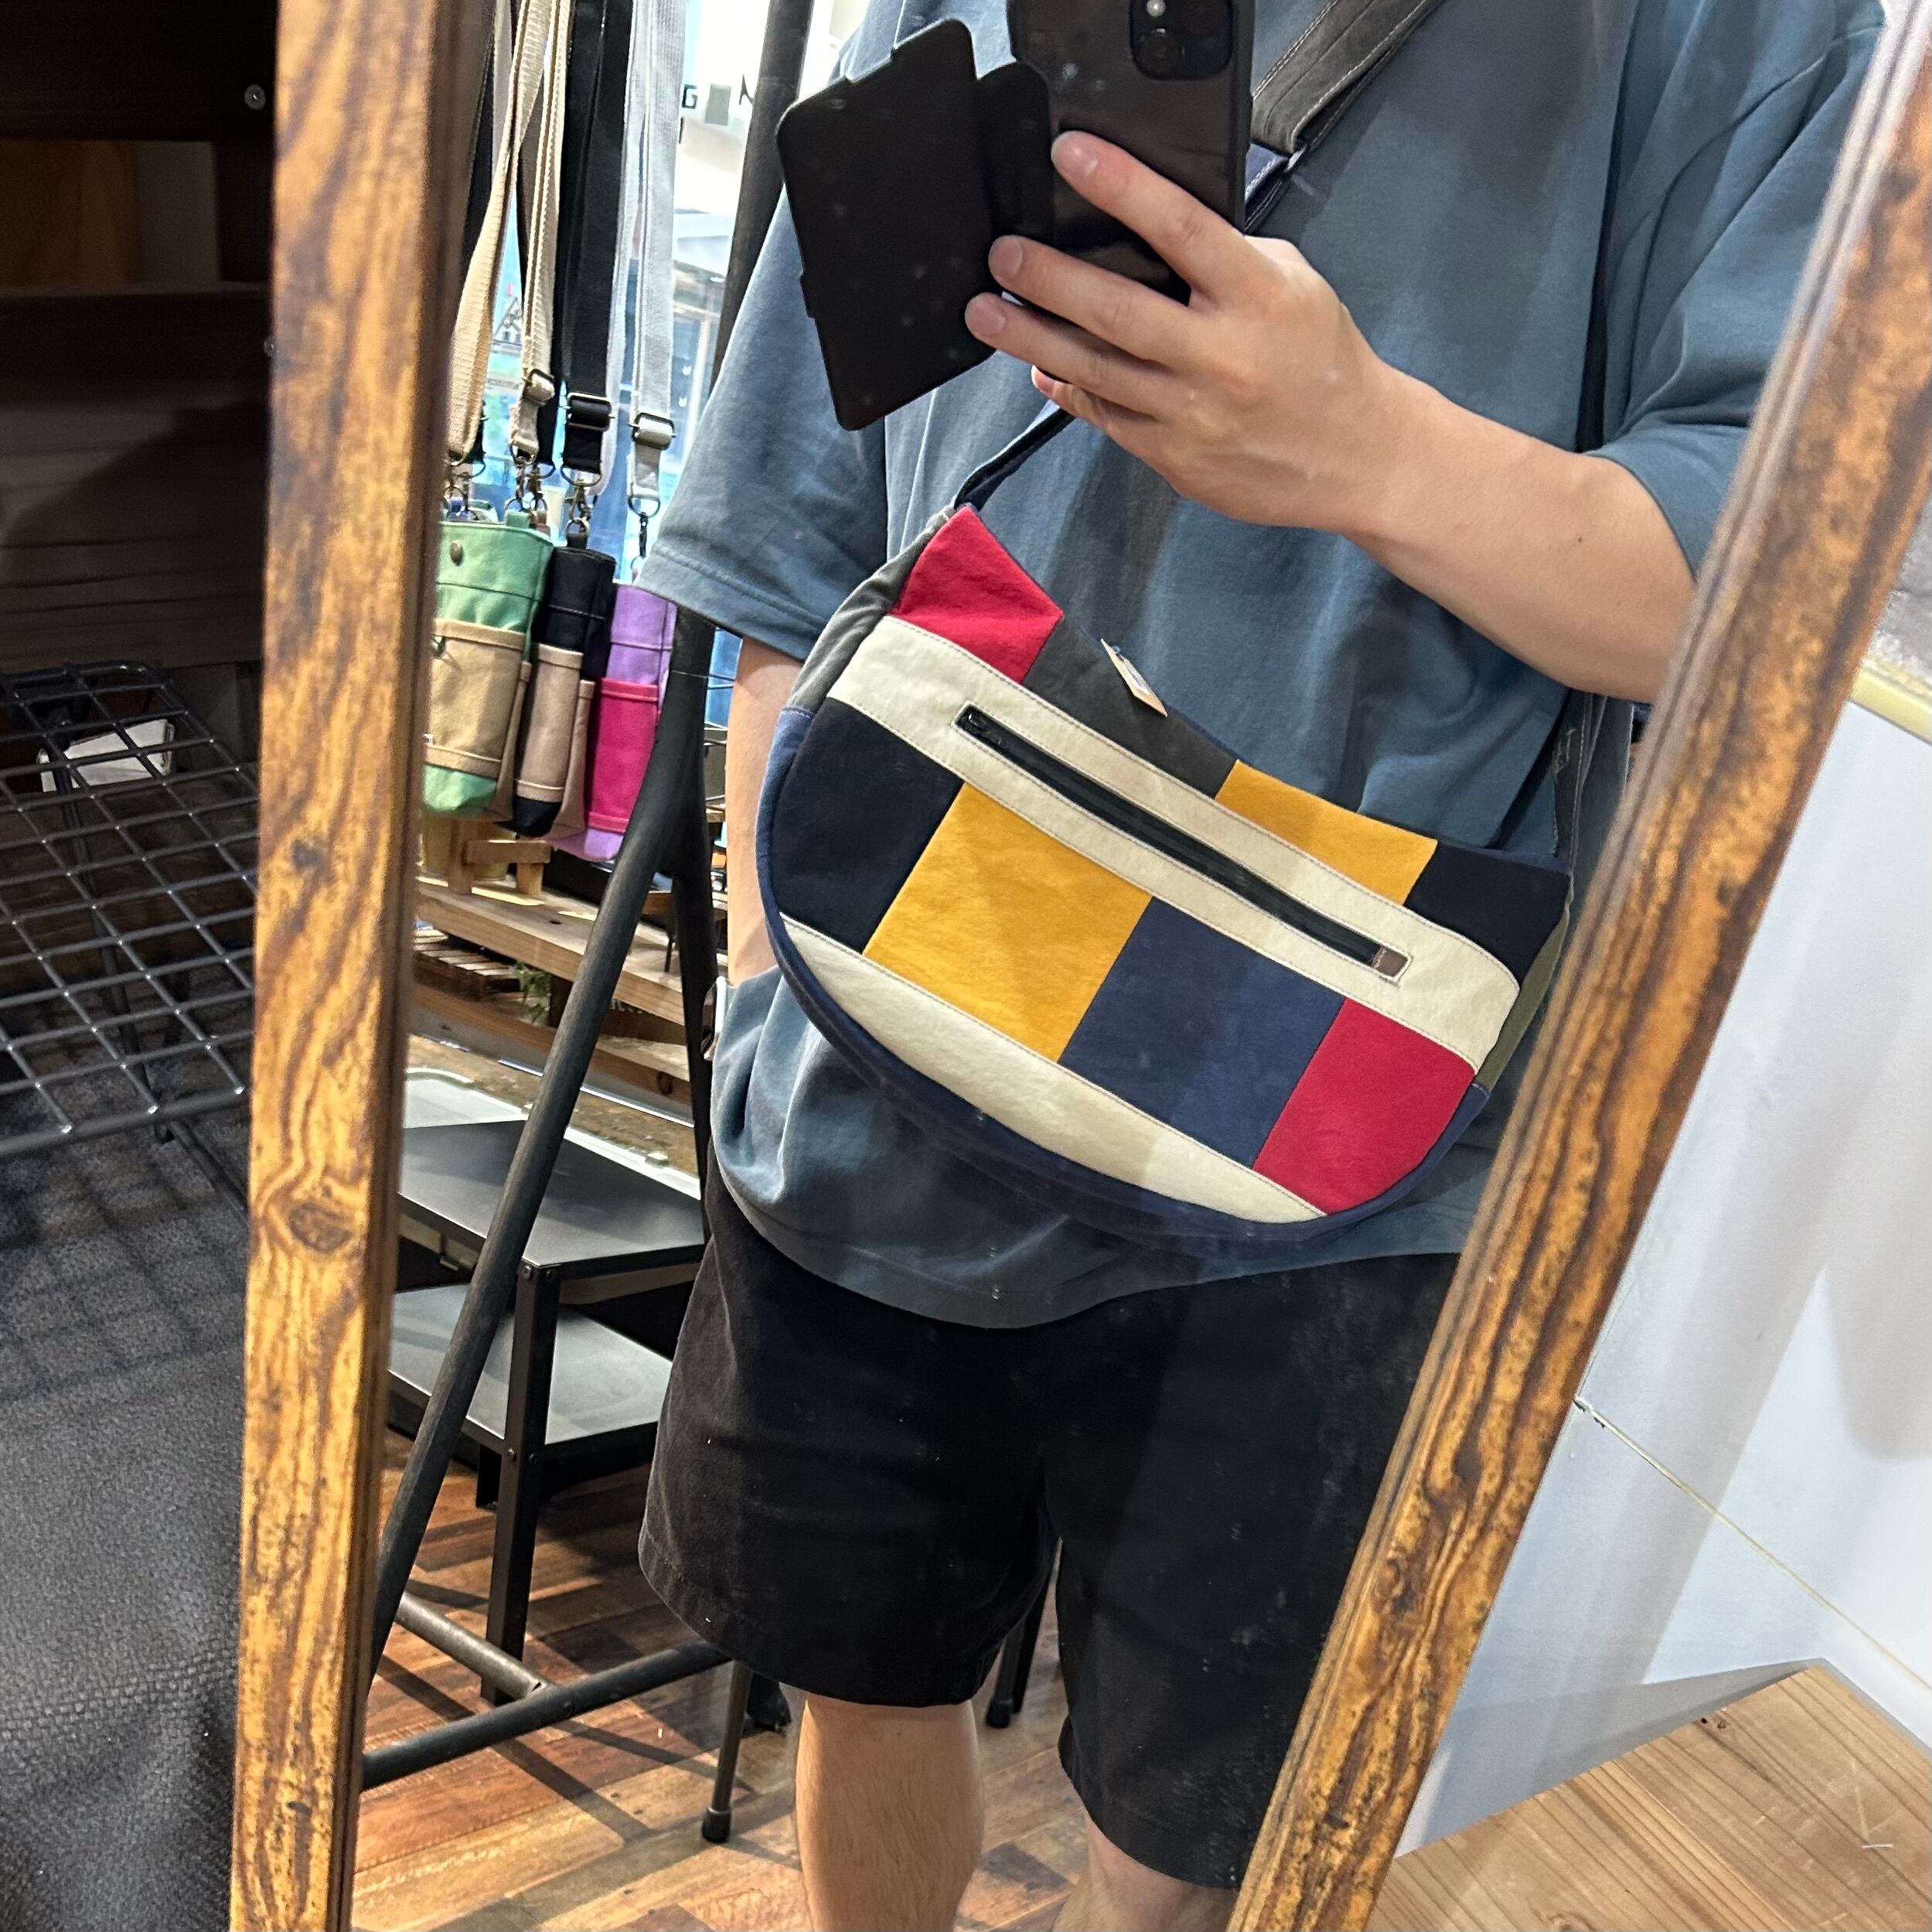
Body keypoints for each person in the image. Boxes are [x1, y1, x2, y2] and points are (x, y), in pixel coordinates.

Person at [636, 1, 1879, 1924]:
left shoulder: (1746, 29)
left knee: (1203, 1824)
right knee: (860, 1685)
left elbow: (1780, 590)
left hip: (1340, 1135)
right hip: (876, 1028)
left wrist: (1368, 449)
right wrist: (758, 975)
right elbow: (795, 502)